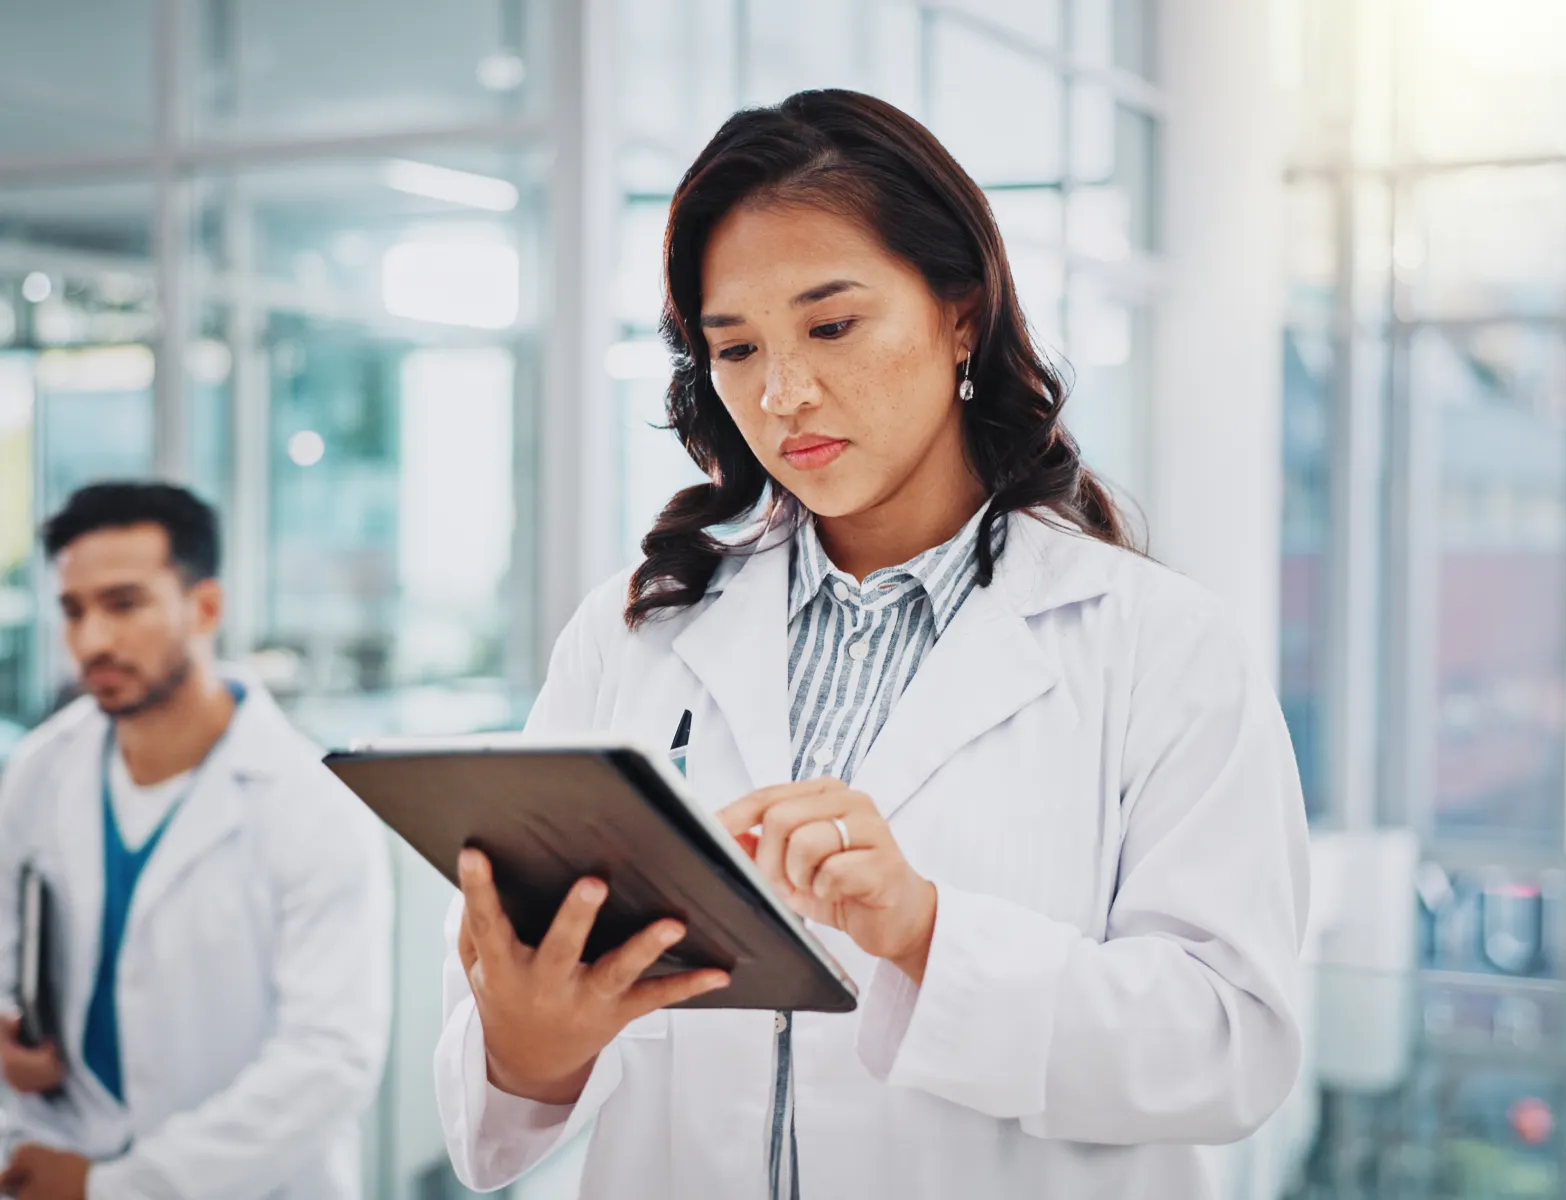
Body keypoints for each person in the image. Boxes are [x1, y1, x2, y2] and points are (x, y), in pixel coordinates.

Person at [436, 89, 1309, 1199]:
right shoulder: (633, 634)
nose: (783, 392)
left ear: (961, 313)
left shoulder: (1159, 646)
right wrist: (529, 1047)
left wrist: (924, 930)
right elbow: (487, 1120)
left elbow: (1227, 1050)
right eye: (736, 348)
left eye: (832, 326)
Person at [0, 483, 392, 1200]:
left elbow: (326, 1062)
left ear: (205, 607)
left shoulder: (311, 803)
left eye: (124, 605)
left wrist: (114, 1187)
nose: (92, 641)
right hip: (56, 1156)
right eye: (73, 610)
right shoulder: (39, 773)